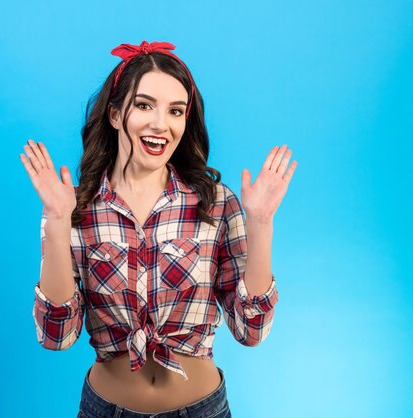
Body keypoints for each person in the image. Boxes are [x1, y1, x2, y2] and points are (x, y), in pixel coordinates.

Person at [20, 40, 297, 418]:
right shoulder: (73, 207)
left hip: (203, 410)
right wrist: (55, 222)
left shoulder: (216, 203)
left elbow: (252, 331)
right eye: (144, 105)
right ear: (116, 114)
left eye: (176, 111)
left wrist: (261, 223)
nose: (160, 124)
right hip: (106, 410)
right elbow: (57, 337)